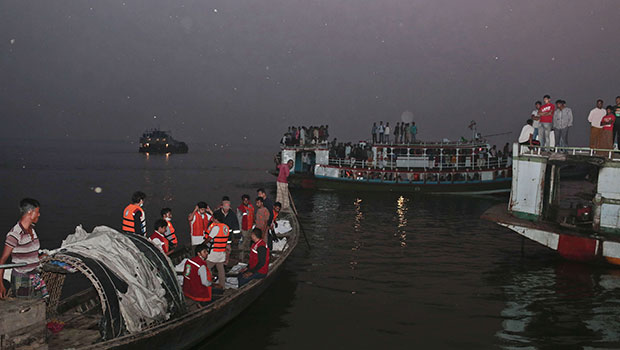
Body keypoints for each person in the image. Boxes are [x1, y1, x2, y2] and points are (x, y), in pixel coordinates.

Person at [0, 198, 47, 299]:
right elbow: (2, 260)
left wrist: (38, 258)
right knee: (25, 309)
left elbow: (27, 253)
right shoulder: (15, 234)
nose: (39, 215)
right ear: (30, 212)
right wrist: (0, 285)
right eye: (37, 212)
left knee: (38, 306)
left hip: (34, 276)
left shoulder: (32, 230)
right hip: (21, 280)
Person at [204, 212, 231, 290]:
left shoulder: (216, 228)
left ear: (216, 219)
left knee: (207, 267)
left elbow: (209, 239)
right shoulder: (226, 227)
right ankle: (222, 286)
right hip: (222, 252)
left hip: (214, 252)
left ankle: (209, 284)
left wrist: (202, 245)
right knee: (221, 270)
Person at [236, 194, 255, 262]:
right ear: (242, 201)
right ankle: (241, 258)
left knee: (248, 242)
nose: (246, 201)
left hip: (250, 228)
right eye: (244, 200)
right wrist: (240, 230)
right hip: (244, 229)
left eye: (247, 200)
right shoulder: (240, 209)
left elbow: (253, 216)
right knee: (242, 243)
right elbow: (239, 220)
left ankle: (247, 255)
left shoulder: (251, 207)